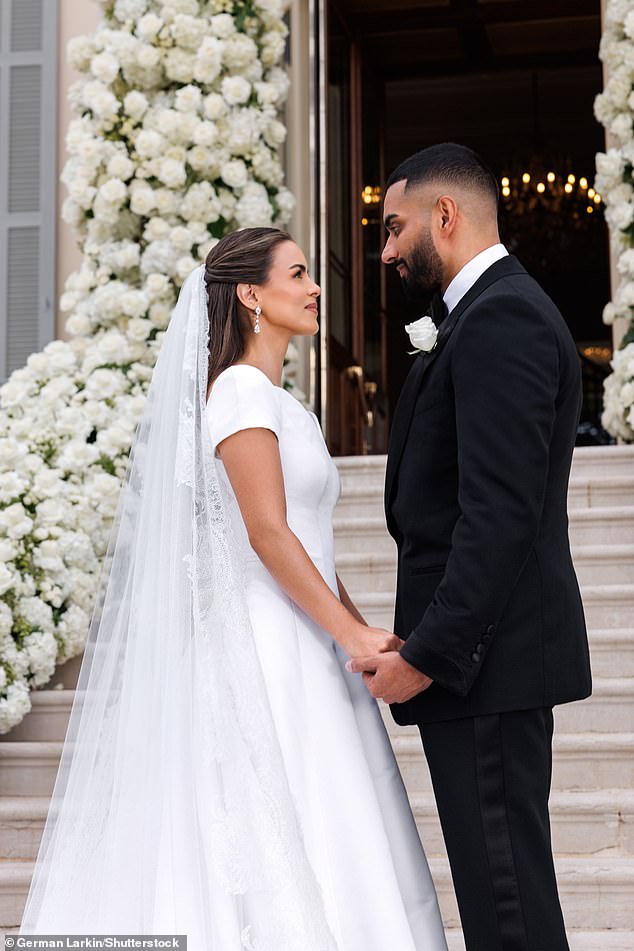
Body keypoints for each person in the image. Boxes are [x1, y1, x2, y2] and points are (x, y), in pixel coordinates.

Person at [19, 227, 447, 951]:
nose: (317, 289)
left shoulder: (288, 404)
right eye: (300, 274)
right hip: (270, 641)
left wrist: (360, 625)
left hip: (314, 637)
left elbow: (309, 539)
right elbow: (268, 535)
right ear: (251, 294)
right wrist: (348, 635)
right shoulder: (242, 391)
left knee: (336, 817)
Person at [348, 143, 592, 951]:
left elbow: (500, 515)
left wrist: (432, 654)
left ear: (444, 217)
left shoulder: (503, 316)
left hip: (488, 666)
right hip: (485, 670)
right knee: (502, 900)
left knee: (507, 908)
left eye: (393, 228)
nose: (383, 250)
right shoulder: (478, 316)